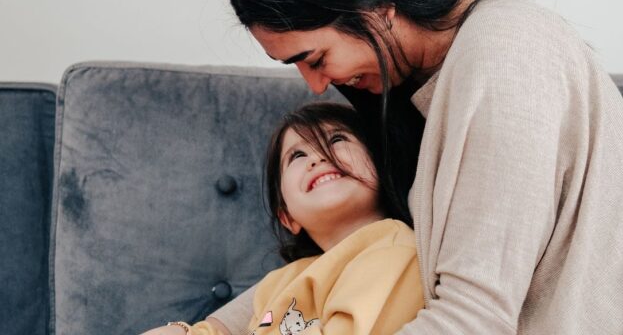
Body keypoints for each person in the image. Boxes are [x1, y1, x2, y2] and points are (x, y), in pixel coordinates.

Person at [217, 0, 623, 333]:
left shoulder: (505, 56)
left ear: (376, 8)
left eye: (316, 57)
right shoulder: (422, 90)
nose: (315, 85)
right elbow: (314, 275)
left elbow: (475, 319)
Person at [141, 103, 423, 334]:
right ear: (287, 216)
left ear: (382, 169)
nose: (318, 157)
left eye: (337, 139)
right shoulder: (282, 281)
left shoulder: (391, 247)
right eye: (297, 155)